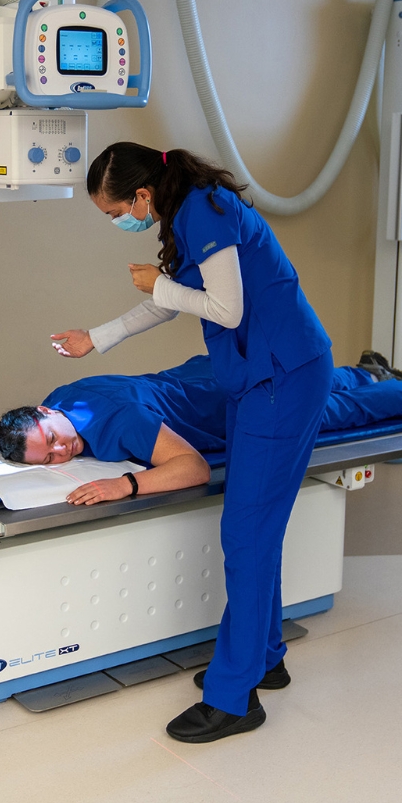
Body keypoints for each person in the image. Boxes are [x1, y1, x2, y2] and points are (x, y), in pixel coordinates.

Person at [49, 142, 333, 743]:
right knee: (257, 530)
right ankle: (265, 656)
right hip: (263, 375)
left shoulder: (202, 210)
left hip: (281, 378)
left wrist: (158, 283)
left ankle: (235, 699)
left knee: (246, 534)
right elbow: (167, 303)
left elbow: (224, 310)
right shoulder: (188, 212)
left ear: (142, 195)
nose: (117, 223)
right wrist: (94, 339)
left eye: (114, 212)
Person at [0, 352, 402, 506]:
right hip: (205, 376)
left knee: (337, 413)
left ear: (47, 416)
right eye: (47, 457)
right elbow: (32, 434)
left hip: (237, 406)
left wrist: (126, 485)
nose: (61, 452)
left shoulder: (121, 423)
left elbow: (189, 468)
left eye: (52, 441)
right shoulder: (56, 402)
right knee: (313, 376)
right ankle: (367, 371)